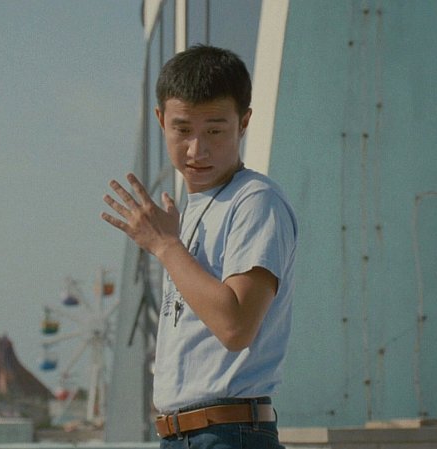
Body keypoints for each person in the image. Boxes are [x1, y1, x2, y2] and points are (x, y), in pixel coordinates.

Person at [101, 45, 297, 448]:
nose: (196, 149)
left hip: (227, 433)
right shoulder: (191, 211)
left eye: (214, 130)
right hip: (187, 435)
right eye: (183, 129)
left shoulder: (255, 200)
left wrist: (165, 246)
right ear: (161, 121)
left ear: (244, 123)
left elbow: (236, 327)